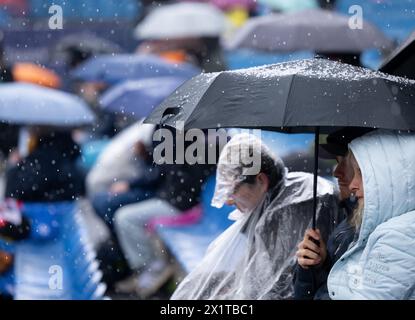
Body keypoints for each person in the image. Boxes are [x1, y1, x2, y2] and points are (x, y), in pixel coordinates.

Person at [171, 133, 340, 299]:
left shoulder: (297, 209)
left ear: (261, 180)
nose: (229, 201)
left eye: (234, 189)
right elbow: (253, 271)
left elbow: (282, 285)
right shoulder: (265, 209)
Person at [298, 130, 415, 299]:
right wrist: (317, 266)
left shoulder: (397, 236)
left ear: (386, 176)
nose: (336, 172)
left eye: (360, 170)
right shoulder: (351, 221)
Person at [294, 127, 372, 299]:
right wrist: (314, 266)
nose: (336, 172)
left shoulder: (382, 229)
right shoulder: (336, 211)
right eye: (337, 160)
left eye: (346, 160)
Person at [5, 127, 85, 202]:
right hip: (64, 210)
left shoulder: (35, 160)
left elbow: (13, 193)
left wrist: (13, 166)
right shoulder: (69, 157)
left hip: (32, 212)